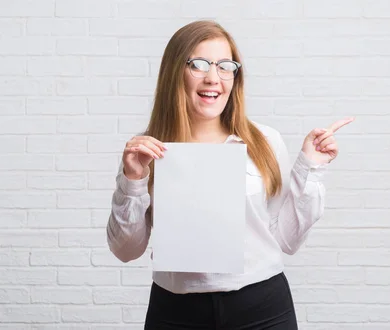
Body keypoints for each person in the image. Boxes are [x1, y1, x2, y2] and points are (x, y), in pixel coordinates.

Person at [106, 20, 354, 330]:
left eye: (225, 66)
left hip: (262, 309)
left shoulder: (264, 142)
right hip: (176, 312)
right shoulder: (147, 151)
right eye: (198, 64)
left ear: (235, 77)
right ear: (174, 73)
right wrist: (133, 180)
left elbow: (287, 241)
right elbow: (126, 250)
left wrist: (310, 168)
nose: (213, 77)